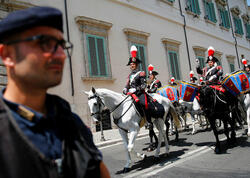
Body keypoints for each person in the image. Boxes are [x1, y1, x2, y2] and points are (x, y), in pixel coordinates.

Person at [0, 6, 110, 178]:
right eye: (45, 43)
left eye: (61, 44)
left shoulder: (72, 122)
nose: (61, 55)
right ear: (7, 54)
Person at [123, 46, 156, 127]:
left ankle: (148, 122)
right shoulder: (130, 75)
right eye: (131, 64)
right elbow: (127, 84)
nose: (132, 65)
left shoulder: (141, 73)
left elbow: (144, 85)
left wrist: (135, 89)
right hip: (131, 94)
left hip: (139, 93)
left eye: (133, 64)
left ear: (137, 65)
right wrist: (125, 88)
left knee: (144, 104)